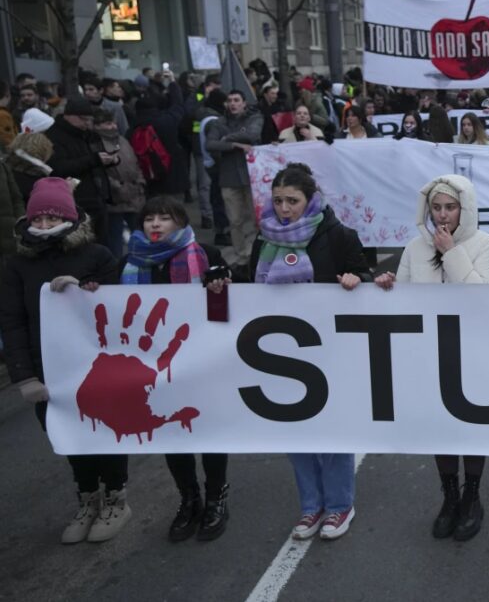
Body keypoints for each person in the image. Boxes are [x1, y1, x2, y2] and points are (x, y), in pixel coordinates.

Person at [373, 174, 489, 541]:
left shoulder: (487, 244)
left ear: (466, 208)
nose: (442, 215)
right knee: (439, 429)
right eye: (436, 208)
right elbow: (406, 300)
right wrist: (388, 287)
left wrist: (451, 252)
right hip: (429, 352)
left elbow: (481, 295)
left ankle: (472, 495)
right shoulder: (415, 248)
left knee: (471, 427)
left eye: (451, 207)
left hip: (472, 350)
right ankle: (449, 496)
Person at [251, 163, 372, 540]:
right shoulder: (262, 239)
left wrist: (357, 280)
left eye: (293, 201)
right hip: (280, 351)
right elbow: (247, 289)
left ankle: (339, 506)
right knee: (296, 431)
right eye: (278, 201)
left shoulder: (339, 236)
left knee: (333, 428)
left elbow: (365, 278)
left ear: (311, 199)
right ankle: (310, 507)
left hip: (331, 348)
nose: (285, 209)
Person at [0, 177, 122, 544]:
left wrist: (85, 290)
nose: (45, 225)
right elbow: (12, 321)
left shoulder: (96, 255)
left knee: (105, 431)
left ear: (70, 218)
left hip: (94, 365)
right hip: (45, 370)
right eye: (38, 219)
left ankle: (117, 497)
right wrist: (24, 377)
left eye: (53, 218)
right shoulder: (16, 264)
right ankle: (88, 498)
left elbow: (120, 306)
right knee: (66, 436)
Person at [117, 196, 232, 542]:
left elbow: (232, 302)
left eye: (164, 218)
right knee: (170, 431)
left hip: (199, 358)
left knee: (207, 428)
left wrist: (221, 286)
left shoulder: (206, 254)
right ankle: (189, 498)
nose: (155, 224)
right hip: (153, 369)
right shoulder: (129, 263)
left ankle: (216, 497)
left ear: (180, 223)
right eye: (149, 219)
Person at [203, 91, 262, 271]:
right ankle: (241, 256)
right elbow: (210, 144)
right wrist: (235, 145)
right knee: (235, 220)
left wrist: (227, 137)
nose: (233, 104)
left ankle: (253, 253)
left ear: (244, 103)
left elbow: (252, 135)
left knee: (254, 219)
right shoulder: (218, 123)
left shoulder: (254, 118)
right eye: (230, 101)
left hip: (251, 177)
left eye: (237, 100)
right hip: (228, 178)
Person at [45, 96, 111, 245]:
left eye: (89, 120)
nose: (87, 123)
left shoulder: (86, 134)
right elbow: (58, 168)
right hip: (76, 201)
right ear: (68, 116)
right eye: (83, 119)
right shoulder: (54, 136)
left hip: (97, 197)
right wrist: (94, 159)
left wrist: (109, 159)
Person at [92, 111, 145, 258]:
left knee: (139, 235)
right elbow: (99, 173)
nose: (113, 126)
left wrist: (140, 182)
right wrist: (118, 187)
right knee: (115, 239)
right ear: (97, 126)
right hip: (114, 200)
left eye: (113, 123)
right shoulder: (95, 143)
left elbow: (135, 163)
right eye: (108, 123)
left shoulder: (122, 140)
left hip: (134, 196)